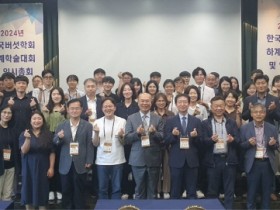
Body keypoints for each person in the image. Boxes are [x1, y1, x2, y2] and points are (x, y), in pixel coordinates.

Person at [53, 99, 94, 209]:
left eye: (77, 108)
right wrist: (59, 138)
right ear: (67, 110)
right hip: (65, 163)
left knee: (80, 190)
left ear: (81, 110)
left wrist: (89, 160)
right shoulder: (61, 125)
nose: (74, 110)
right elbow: (55, 142)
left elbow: (89, 144)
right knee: (66, 189)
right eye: (72, 108)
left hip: (81, 162)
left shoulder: (87, 126)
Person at [201, 96, 240, 209]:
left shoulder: (231, 123)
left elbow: (239, 140)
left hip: (228, 160)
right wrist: (210, 140)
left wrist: (233, 140)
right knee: (212, 190)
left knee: (229, 190)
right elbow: (201, 142)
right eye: (216, 106)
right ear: (211, 108)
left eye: (221, 106)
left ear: (225, 107)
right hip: (212, 161)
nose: (219, 108)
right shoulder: (205, 123)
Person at [124, 93, 164, 199]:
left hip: (153, 159)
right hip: (137, 159)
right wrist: (137, 133)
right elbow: (127, 139)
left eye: (147, 101)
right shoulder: (131, 118)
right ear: (138, 102)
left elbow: (162, 138)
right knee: (139, 190)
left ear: (151, 103)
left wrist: (154, 133)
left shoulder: (158, 118)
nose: (145, 103)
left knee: (152, 191)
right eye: (142, 101)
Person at [240, 103, 279, 209]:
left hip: (267, 163)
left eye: (261, 112)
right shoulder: (244, 128)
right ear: (252, 114)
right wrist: (248, 143)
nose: (258, 114)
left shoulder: (272, 128)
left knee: (266, 194)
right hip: (253, 164)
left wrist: (273, 144)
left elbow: (277, 146)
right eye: (256, 112)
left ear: (265, 114)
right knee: (251, 193)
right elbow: (240, 146)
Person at [164, 93, 202, 199]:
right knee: (175, 191)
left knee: (191, 192)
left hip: (192, 160)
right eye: (180, 102)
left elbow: (201, 143)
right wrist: (173, 135)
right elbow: (165, 141)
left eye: (185, 102)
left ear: (189, 104)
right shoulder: (170, 121)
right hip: (176, 160)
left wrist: (195, 136)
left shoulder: (196, 121)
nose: (182, 104)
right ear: (176, 104)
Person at [19, 111, 55, 210]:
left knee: (42, 191)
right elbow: (24, 151)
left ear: (43, 120)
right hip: (28, 166)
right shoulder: (24, 133)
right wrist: (27, 139)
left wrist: (51, 168)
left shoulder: (48, 134)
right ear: (30, 121)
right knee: (28, 191)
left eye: (39, 118)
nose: (36, 121)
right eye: (34, 119)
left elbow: (52, 152)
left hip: (43, 166)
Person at [92, 97, 126, 199]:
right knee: (102, 189)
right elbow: (95, 143)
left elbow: (124, 143)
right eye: (105, 106)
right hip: (102, 160)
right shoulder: (97, 122)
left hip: (117, 159)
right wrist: (96, 133)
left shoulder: (122, 121)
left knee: (117, 188)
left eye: (110, 106)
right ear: (102, 109)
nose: (108, 108)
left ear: (115, 108)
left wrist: (121, 136)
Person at [115, 83, 139, 199]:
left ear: (133, 92)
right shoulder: (117, 106)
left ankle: (135, 190)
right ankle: (124, 190)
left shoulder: (138, 106)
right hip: (121, 142)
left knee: (135, 167)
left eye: (129, 89)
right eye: (125, 90)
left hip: (135, 140)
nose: (127, 91)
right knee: (123, 167)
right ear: (121, 92)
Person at [42, 87, 66, 201]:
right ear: (51, 96)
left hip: (63, 139)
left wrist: (62, 113)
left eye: (58, 94)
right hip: (49, 138)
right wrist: (46, 113)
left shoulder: (65, 108)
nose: (56, 96)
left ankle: (59, 189)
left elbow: (69, 123)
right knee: (50, 165)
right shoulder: (46, 108)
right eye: (54, 94)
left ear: (62, 96)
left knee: (60, 165)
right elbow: (44, 125)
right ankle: (51, 190)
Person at [153, 93, 174, 199]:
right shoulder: (152, 114)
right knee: (156, 168)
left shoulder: (171, 114)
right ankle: (156, 190)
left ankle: (166, 190)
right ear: (155, 102)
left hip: (168, 144)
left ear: (166, 102)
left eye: (163, 101)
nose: (161, 103)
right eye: (158, 101)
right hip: (155, 144)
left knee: (167, 168)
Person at [0, 105, 16, 201]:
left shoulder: (12, 130)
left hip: (10, 166)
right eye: (4, 112)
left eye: (9, 113)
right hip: (0, 166)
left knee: (7, 195)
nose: (7, 115)